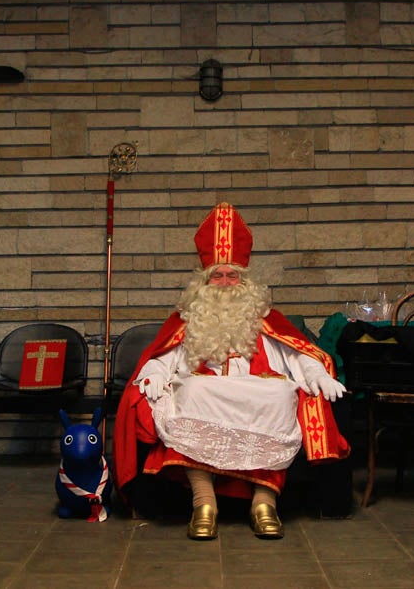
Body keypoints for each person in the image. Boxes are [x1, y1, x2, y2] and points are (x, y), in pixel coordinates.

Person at [112, 202, 349, 540]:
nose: (224, 282)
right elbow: (164, 355)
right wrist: (153, 375)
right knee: (190, 391)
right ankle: (203, 503)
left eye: (231, 275)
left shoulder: (265, 319)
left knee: (282, 393)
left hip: (256, 392)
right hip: (205, 392)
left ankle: (264, 503)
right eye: (217, 276)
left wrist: (319, 377)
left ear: (244, 282)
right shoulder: (188, 320)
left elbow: (298, 356)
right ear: (204, 284)